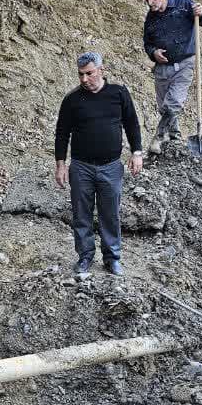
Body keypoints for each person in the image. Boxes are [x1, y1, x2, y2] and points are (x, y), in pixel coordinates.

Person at [53, 52, 144, 277]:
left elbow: (132, 123)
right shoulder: (72, 99)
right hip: (81, 167)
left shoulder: (118, 93)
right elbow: (62, 133)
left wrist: (137, 152)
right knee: (81, 214)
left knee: (110, 214)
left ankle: (112, 258)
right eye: (80, 74)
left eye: (89, 73)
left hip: (111, 166)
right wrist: (60, 164)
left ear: (101, 70)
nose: (84, 79)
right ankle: (85, 256)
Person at [142, 0, 202, 154]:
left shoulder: (183, 4)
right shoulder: (150, 18)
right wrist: (154, 52)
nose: (150, 3)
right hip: (162, 68)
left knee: (173, 103)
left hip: (184, 64)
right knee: (164, 107)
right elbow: (147, 43)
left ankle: (158, 138)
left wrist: (201, 13)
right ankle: (174, 137)